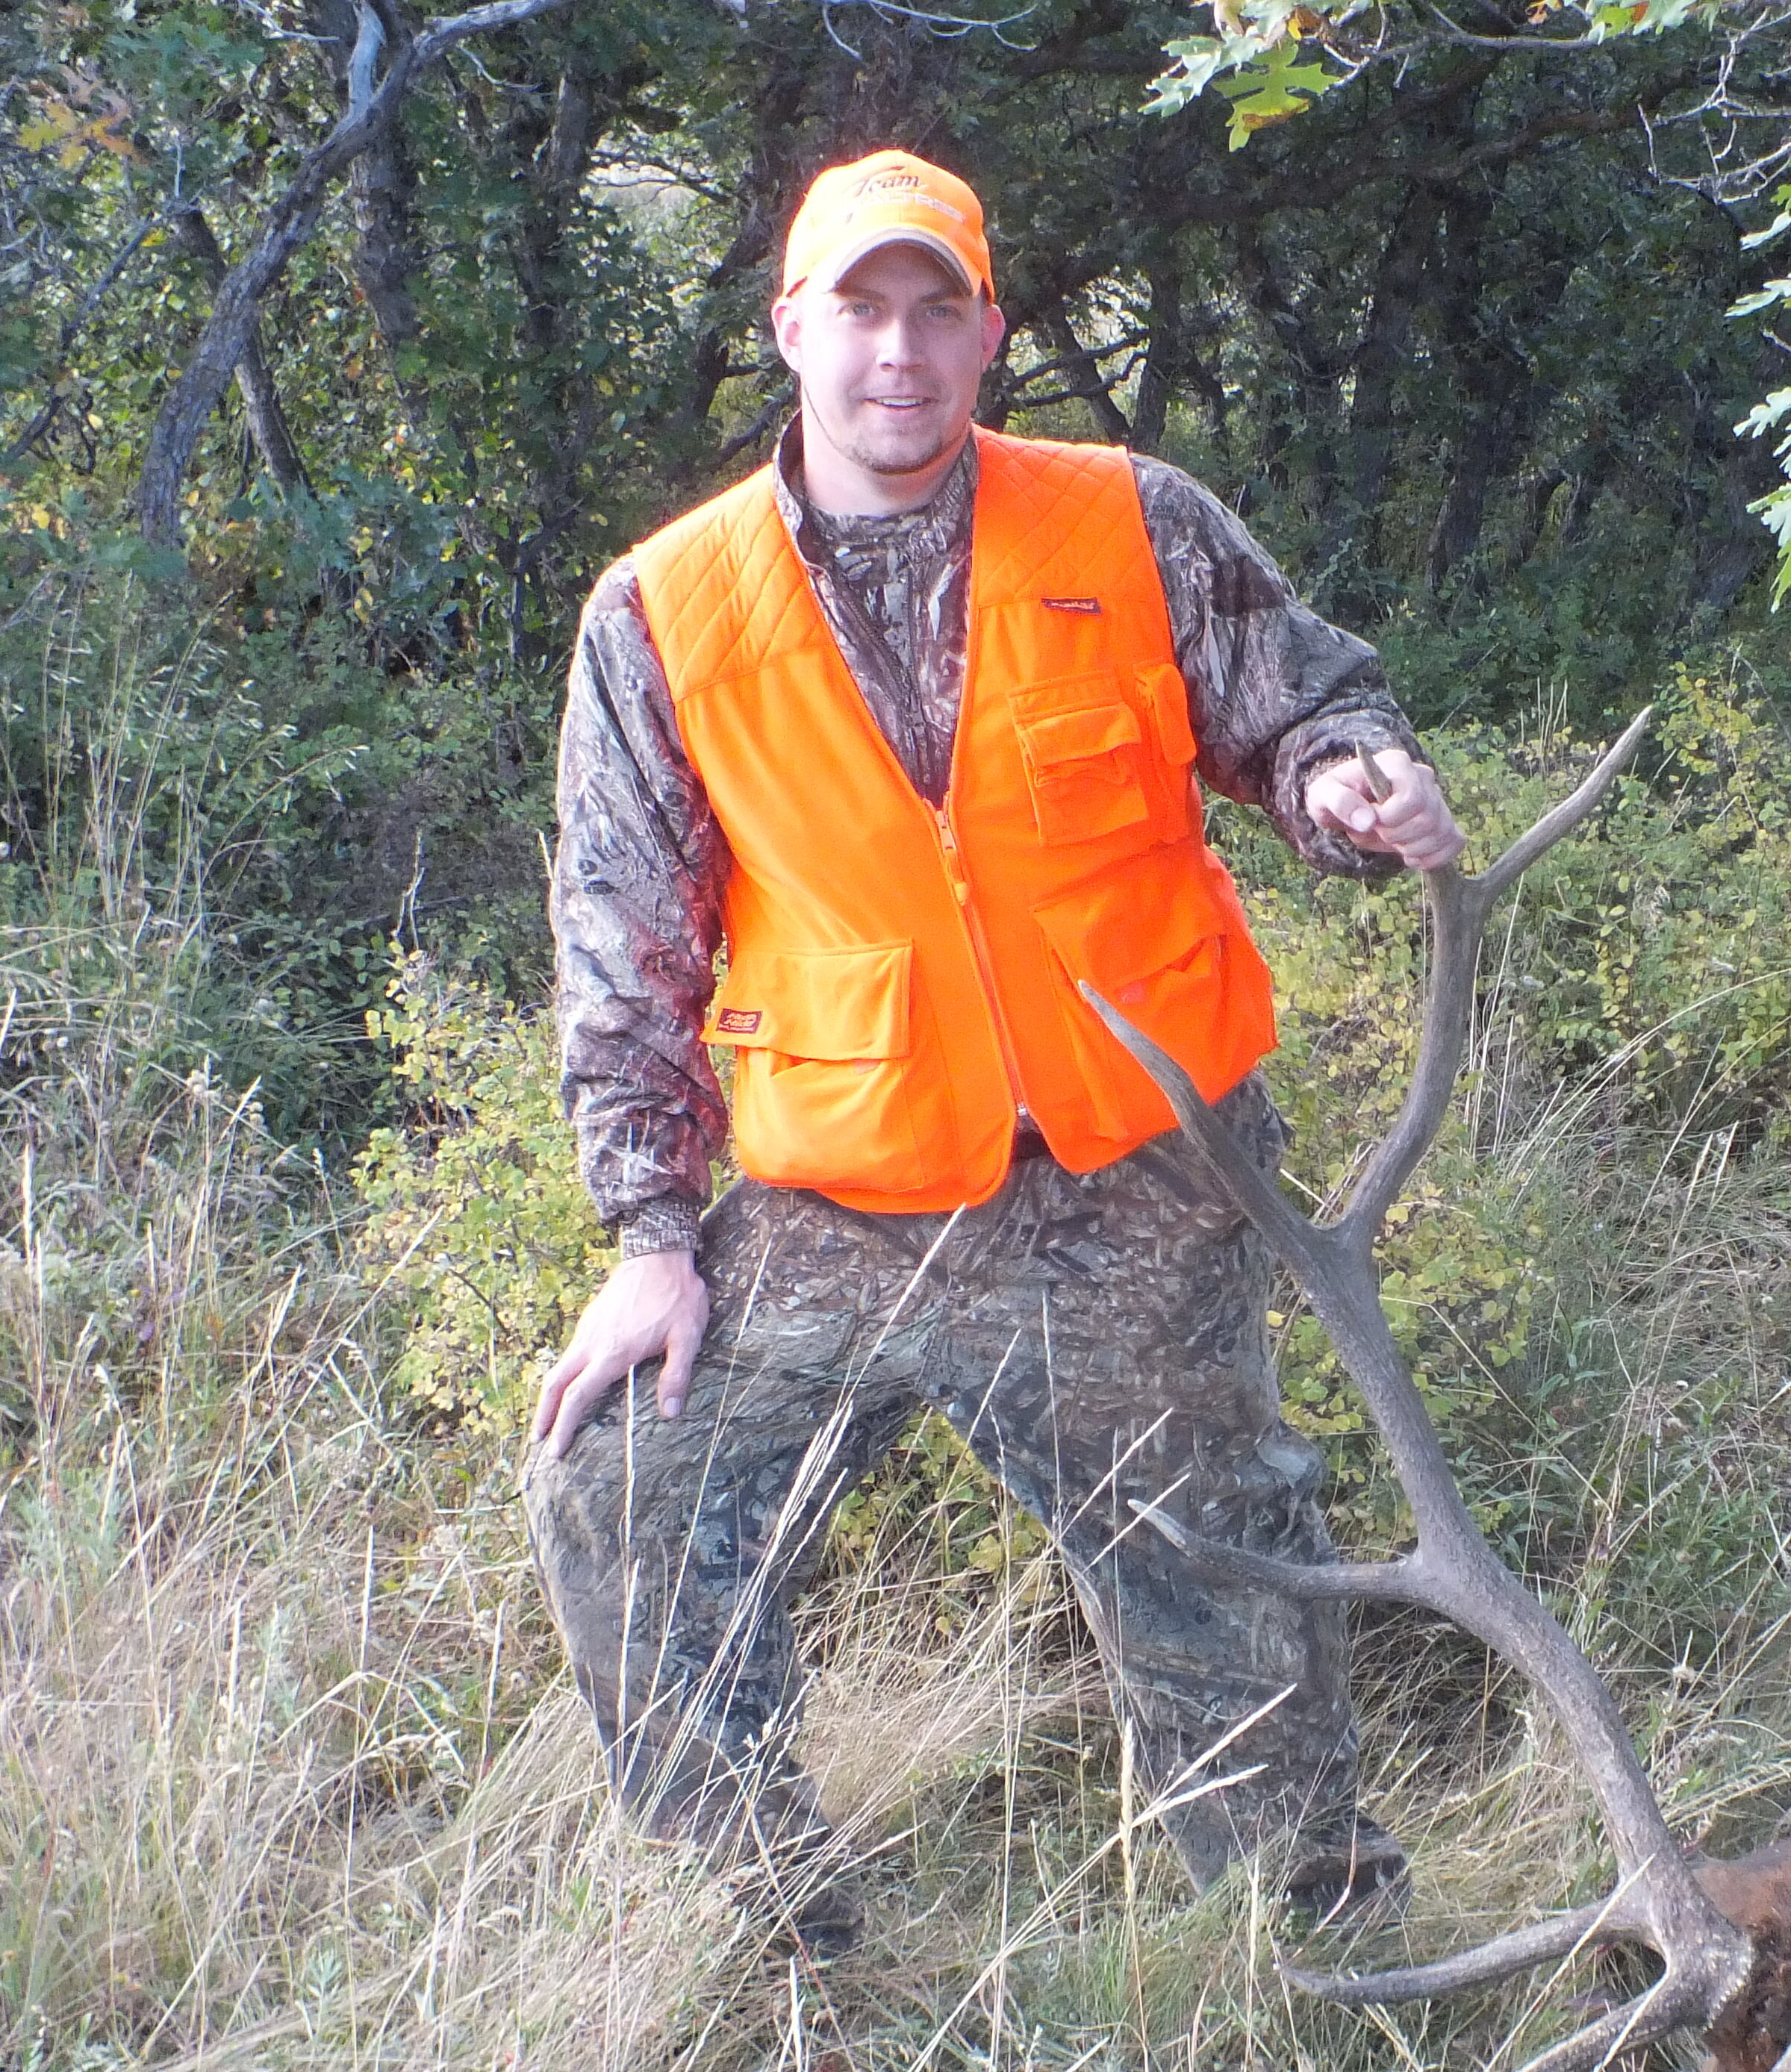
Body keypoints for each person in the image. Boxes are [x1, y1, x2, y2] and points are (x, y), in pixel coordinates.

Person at [524, 148, 1463, 1953]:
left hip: (1144, 1179)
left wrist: (1358, 782)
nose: (898, 351)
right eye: (858, 311)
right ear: (790, 329)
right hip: (847, 1201)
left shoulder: (1135, 520)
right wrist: (649, 1237)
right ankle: (771, 1938)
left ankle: (1310, 1961)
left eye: (934, 309)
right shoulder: (663, 611)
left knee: (1222, 1574)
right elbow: (622, 941)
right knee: (617, 1483)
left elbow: (1304, 707)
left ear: (991, 333)